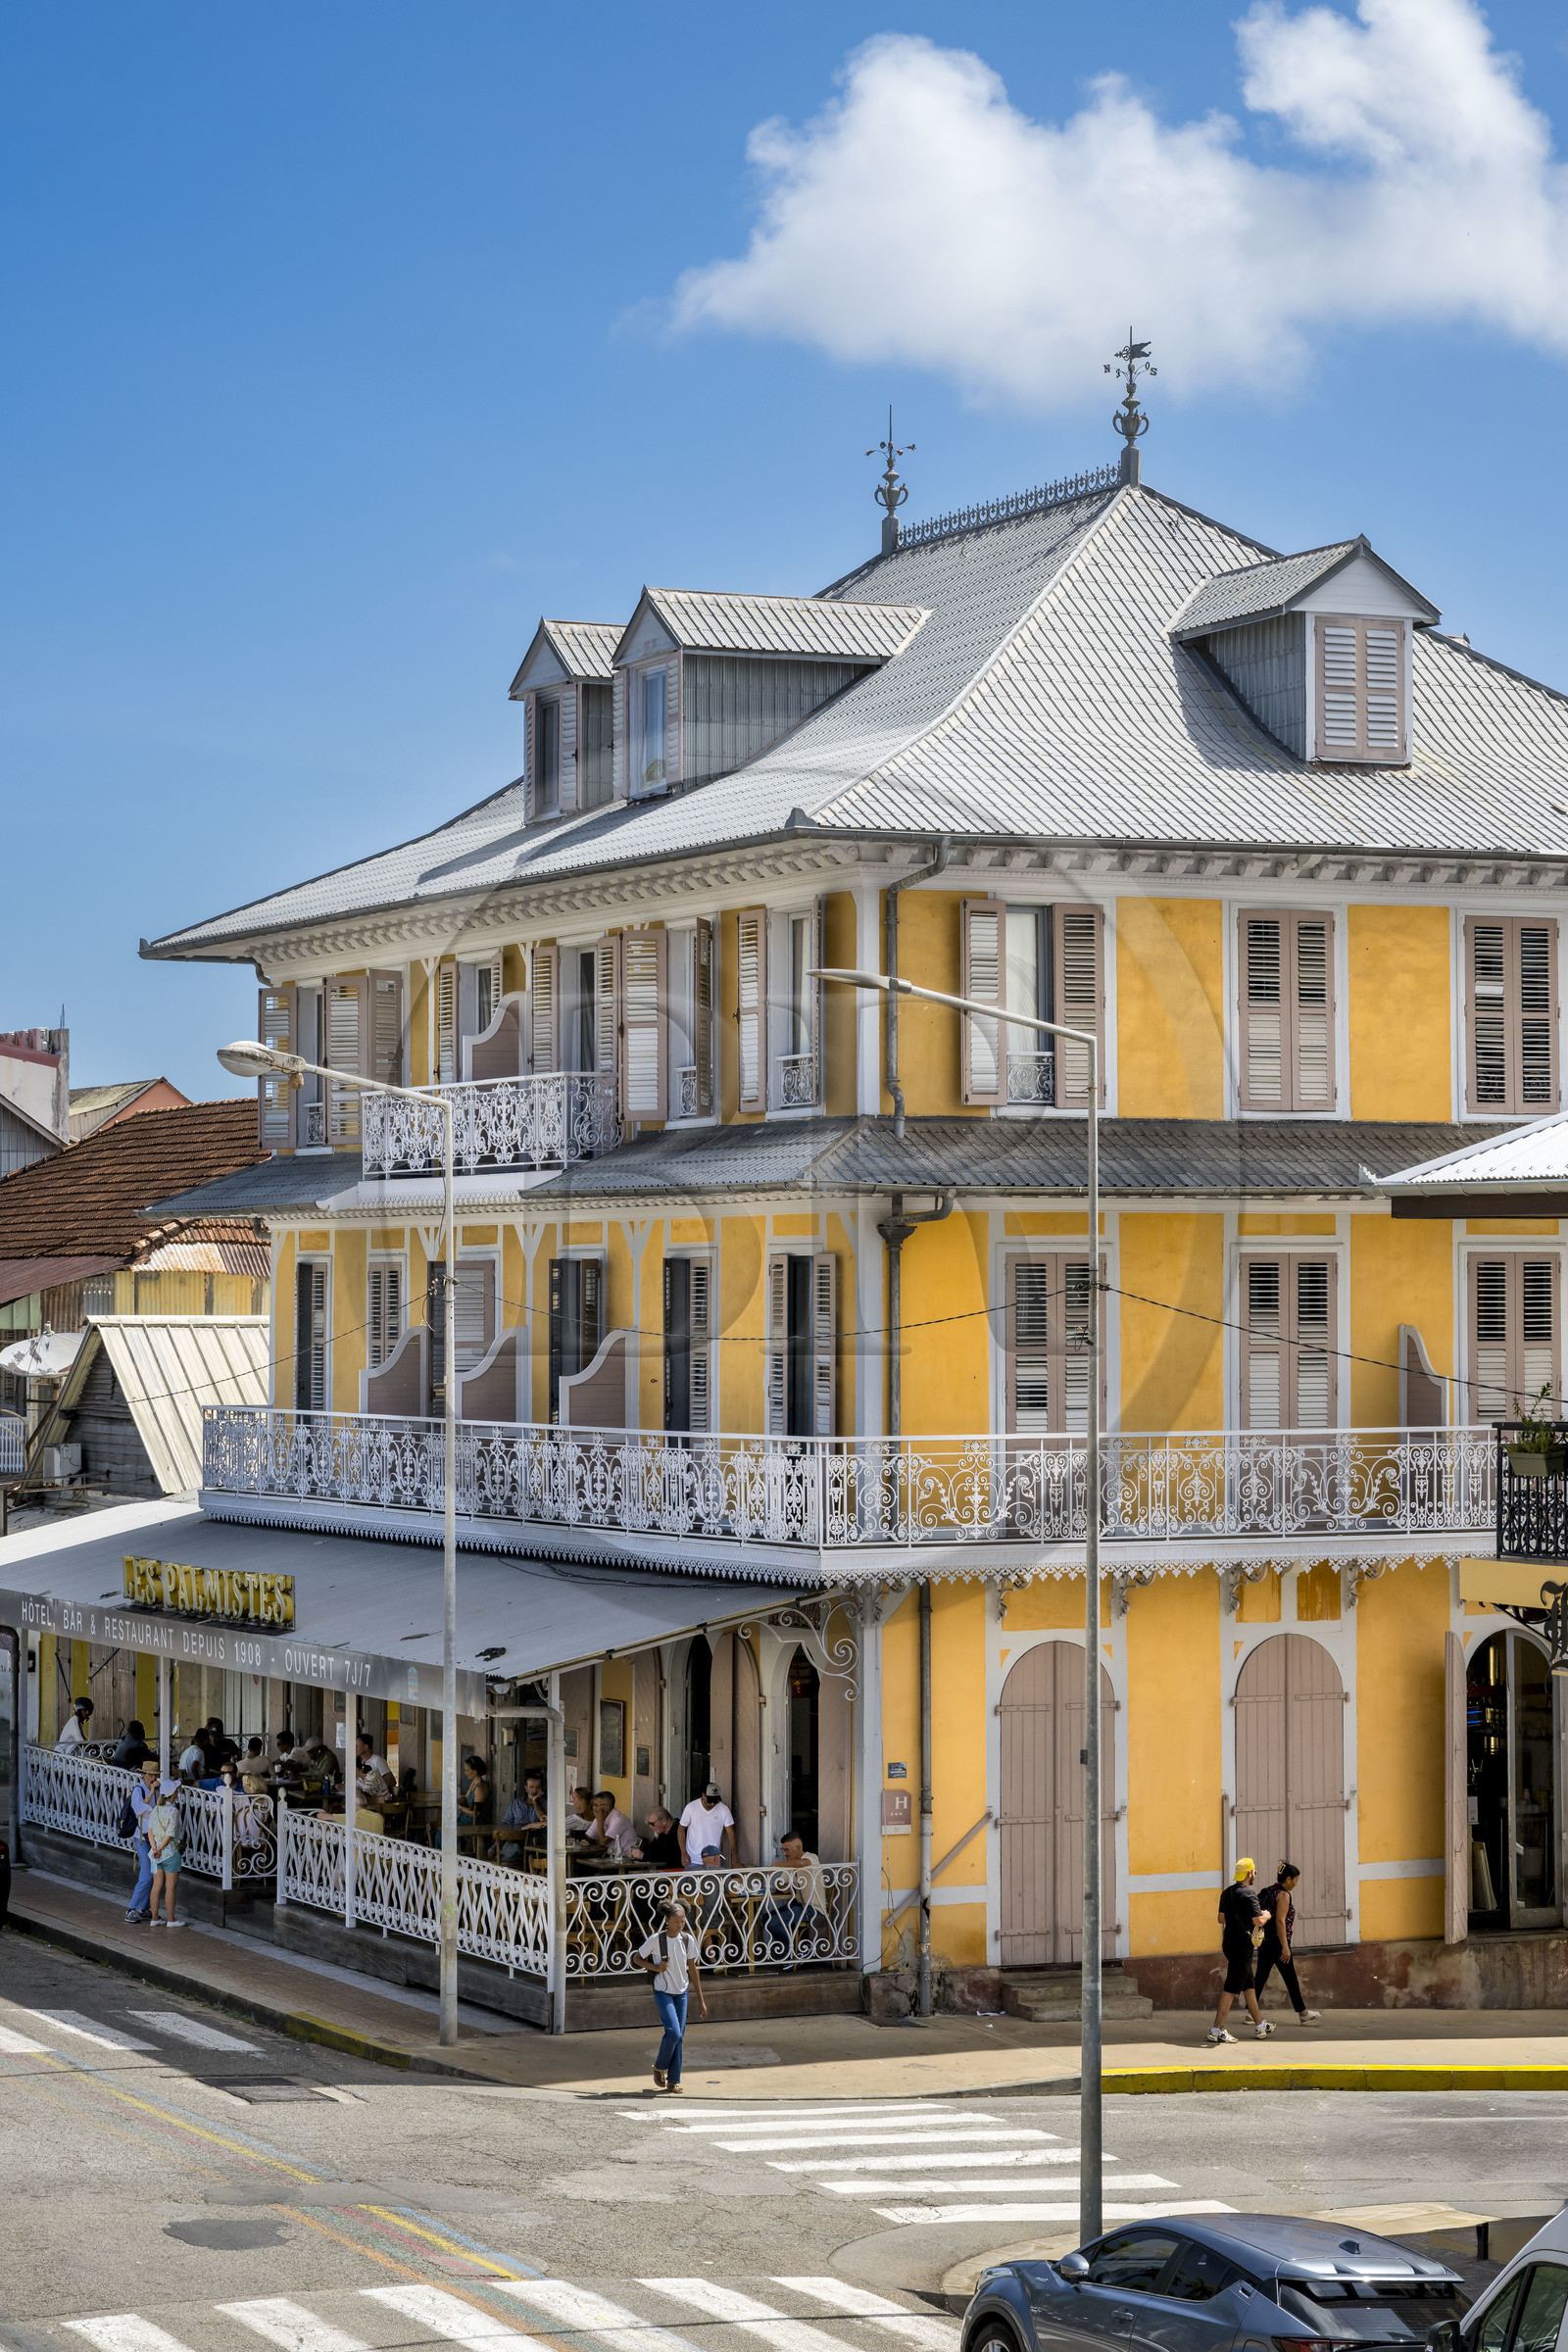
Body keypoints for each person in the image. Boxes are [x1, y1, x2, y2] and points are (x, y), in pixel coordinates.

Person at [633, 1898, 708, 2092]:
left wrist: (701, 1999)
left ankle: (674, 2081)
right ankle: (659, 2066)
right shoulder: (656, 1940)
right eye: (676, 1921)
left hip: (681, 1992)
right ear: (667, 1920)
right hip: (663, 1992)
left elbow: (693, 1969)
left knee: (679, 2037)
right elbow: (636, 1958)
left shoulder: (688, 1940)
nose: (680, 1925)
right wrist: (655, 1967)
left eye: (683, 1921)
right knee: (673, 2032)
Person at [1208, 1857, 1274, 2043]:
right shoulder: (1249, 1894)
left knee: (1249, 1985)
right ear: (1250, 1873)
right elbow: (1259, 1921)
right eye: (1254, 1872)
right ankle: (1216, 2030)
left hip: (1229, 1943)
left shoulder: (1227, 1893)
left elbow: (1221, 1919)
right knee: (1231, 1988)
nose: (1254, 1875)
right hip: (1242, 1946)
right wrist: (1266, 1915)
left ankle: (1260, 2025)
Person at [1254, 1861, 1322, 2027]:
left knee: (1261, 1977)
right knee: (1291, 1978)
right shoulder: (1283, 1895)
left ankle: (1251, 2013)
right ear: (1288, 1879)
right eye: (1296, 1880)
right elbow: (1280, 1921)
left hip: (1265, 1941)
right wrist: (1285, 1946)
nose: (1296, 1884)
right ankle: (1303, 2014)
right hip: (1278, 1942)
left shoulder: (1268, 1890)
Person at [761, 1831, 828, 1962]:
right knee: (766, 1918)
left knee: (774, 1923)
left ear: (797, 1847)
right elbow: (780, 1883)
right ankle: (797, 1951)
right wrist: (785, 1887)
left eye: (787, 1850)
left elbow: (803, 1864)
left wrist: (776, 1865)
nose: (785, 1854)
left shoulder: (811, 1857)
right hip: (798, 1905)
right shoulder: (791, 1863)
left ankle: (796, 1952)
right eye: (783, 1850)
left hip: (814, 1909)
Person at [123, 1756, 162, 1925]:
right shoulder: (138, 1790)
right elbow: (139, 1809)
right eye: (150, 1775)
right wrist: (152, 1794)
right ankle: (132, 1909)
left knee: (153, 1874)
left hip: (153, 1837)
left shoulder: (156, 1791)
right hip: (141, 1838)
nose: (153, 1778)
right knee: (146, 1874)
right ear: (144, 1775)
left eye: (155, 1775)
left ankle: (143, 1908)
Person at [146, 1778, 185, 1927]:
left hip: (155, 1853)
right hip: (170, 1852)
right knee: (170, 1886)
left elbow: (150, 1831)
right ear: (173, 1793)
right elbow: (170, 1833)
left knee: (156, 1885)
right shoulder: (173, 1811)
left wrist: (154, 1848)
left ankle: (154, 1918)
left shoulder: (155, 1809)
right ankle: (171, 1919)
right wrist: (161, 1849)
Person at [678, 1782, 735, 1868]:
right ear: (703, 1795)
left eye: (715, 1801)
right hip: (692, 1859)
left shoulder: (724, 1810)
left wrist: (735, 1857)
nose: (713, 1804)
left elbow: (731, 1834)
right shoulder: (691, 1808)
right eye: (710, 1801)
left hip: (713, 1859)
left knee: (714, 1881)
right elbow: (681, 1829)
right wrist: (683, 1852)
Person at [500, 1771, 548, 1865]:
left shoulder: (545, 1803)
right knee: (496, 1850)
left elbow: (544, 1819)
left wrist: (535, 1802)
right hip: (515, 1840)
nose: (534, 1790)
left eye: (538, 1787)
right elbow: (505, 1823)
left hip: (535, 1843)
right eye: (531, 1787)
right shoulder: (516, 1803)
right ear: (526, 1788)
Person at [588, 1788, 641, 1860]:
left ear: (606, 1807)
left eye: (596, 1805)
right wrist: (585, 1841)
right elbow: (588, 1836)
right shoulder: (601, 1816)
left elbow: (603, 1842)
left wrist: (600, 1821)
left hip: (624, 1858)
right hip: (610, 1855)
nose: (594, 1808)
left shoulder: (618, 1819)